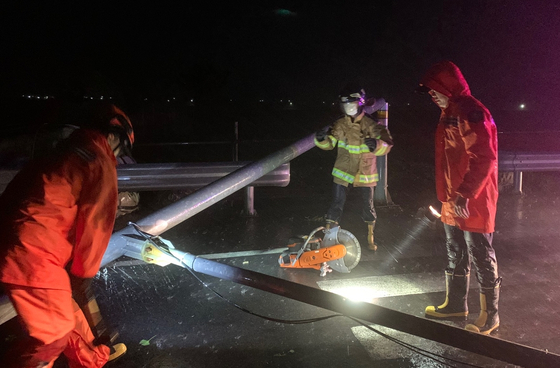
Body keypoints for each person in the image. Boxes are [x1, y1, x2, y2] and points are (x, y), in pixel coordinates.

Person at [0, 102, 134, 367]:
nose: (117, 157)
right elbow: (97, 223)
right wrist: (83, 272)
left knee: (65, 312)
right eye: (121, 149)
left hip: (27, 244)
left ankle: (93, 359)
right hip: (34, 252)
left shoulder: (62, 152)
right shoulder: (98, 159)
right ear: (112, 136)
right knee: (53, 337)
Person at [417, 60, 501, 335]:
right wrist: (451, 196)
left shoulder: (471, 110)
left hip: (472, 199)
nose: (431, 95)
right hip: (453, 198)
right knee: (456, 253)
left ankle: (490, 316)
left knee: (480, 253)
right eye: (429, 91)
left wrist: (465, 194)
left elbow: (484, 157)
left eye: (434, 89)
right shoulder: (449, 111)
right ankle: (456, 304)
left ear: (448, 87)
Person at [314, 85, 393, 251]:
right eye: (344, 104)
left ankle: (370, 237)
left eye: (351, 103)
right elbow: (330, 144)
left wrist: (378, 144)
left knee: (368, 206)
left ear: (360, 103)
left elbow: (388, 145)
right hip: (342, 171)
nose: (348, 107)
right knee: (336, 204)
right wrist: (321, 139)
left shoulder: (372, 125)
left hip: (365, 173)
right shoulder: (340, 124)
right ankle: (329, 236)